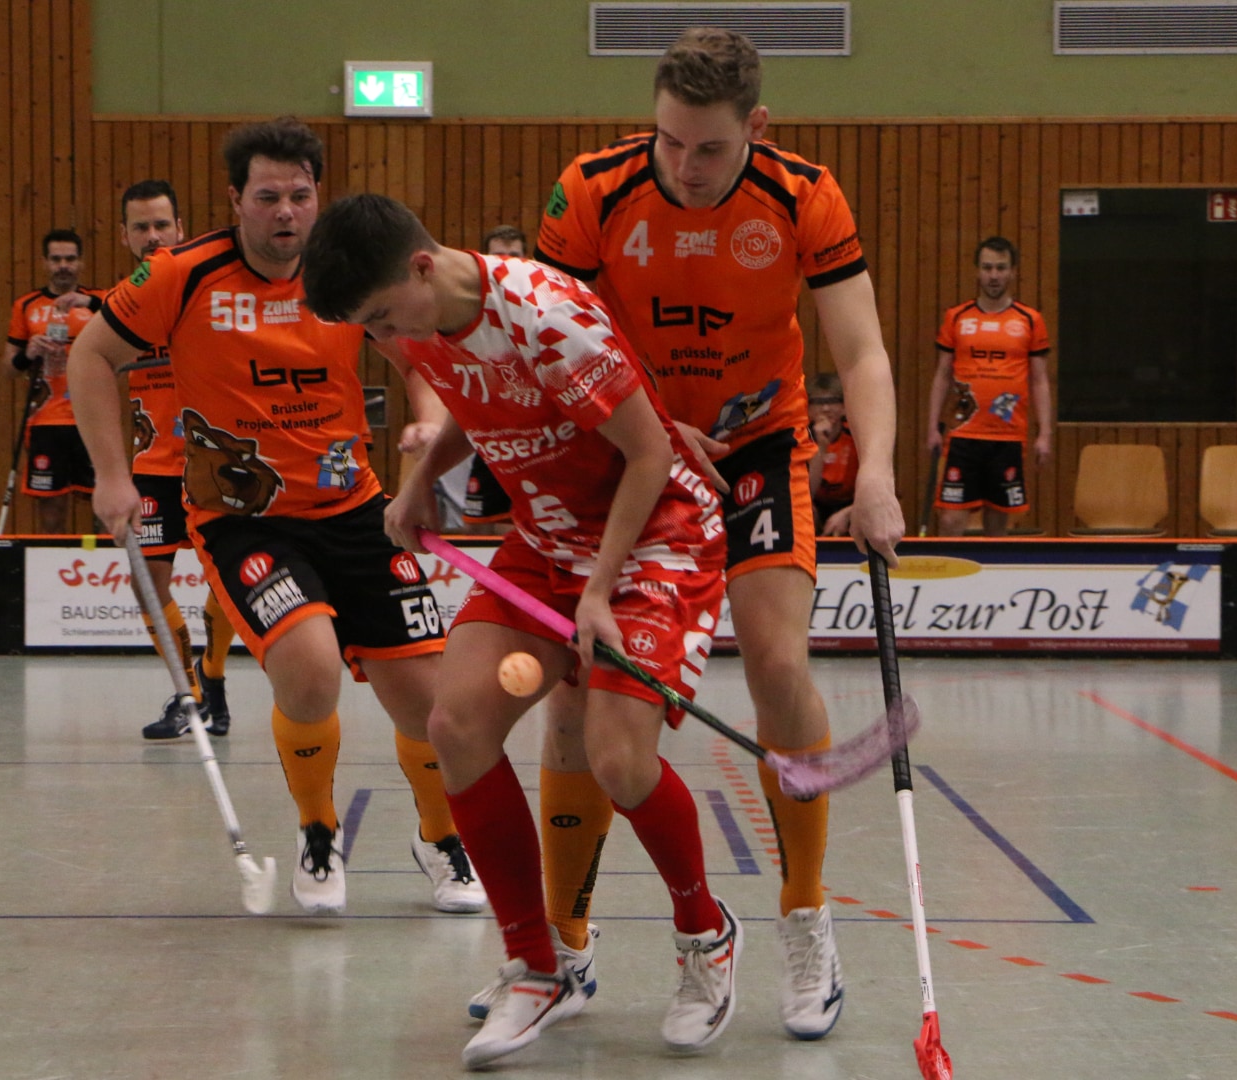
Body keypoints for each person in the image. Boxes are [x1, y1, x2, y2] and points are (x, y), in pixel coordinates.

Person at [303, 192, 741, 1067]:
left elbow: (651, 452)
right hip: (543, 539)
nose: (386, 341)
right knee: (455, 723)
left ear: (424, 267)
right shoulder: (424, 320)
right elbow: (479, 398)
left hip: (653, 535)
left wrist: (599, 593)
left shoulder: (545, 315)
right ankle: (537, 968)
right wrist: (425, 479)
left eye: (385, 317)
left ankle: (706, 935)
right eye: (370, 330)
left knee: (619, 758)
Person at [529, 26, 904, 1041]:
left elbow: (861, 351)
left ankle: (804, 918)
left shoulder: (804, 196)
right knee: (578, 691)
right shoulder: (595, 191)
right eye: (670, 143)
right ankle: (564, 944)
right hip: (627, 447)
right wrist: (634, 423)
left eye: (709, 149)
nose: (685, 169)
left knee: (779, 661)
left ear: (758, 128)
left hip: (755, 447)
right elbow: (547, 335)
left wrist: (871, 472)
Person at [65, 119, 484, 917]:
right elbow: (91, 355)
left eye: (300, 195)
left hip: (355, 507)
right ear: (235, 200)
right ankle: (318, 833)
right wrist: (113, 478)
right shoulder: (181, 276)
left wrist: (428, 421)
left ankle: (439, 839)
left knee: (426, 698)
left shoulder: (345, 269)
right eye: (268, 198)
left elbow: (416, 354)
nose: (286, 213)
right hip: (244, 518)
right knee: (310, 669)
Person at [56, 180, 239, 740]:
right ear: (124, 235)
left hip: (215, 462)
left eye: (162, 225)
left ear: (181, 229)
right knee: (146, 583)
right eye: (141, 227)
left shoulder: (211, 292)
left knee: (231, 582)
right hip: (154, 465)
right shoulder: (120, 306)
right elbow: (94, 378)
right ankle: (187, 695)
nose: (153, 236)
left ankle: (214, 678)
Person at [926, 236, 1053, 538]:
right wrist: (932, 427)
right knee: (950, 521)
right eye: (987, 268)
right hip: (963, 435)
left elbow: (1039, 380)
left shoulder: (1029, 320)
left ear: (1012, 272)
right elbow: (942, 374)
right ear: (977, 271)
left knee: (997, 525)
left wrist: (1044, 433)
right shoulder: (957, 317)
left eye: (1000, 268)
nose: (993, 275)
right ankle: (950, 584)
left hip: (1007, 436)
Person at [411, 225, 527, 537]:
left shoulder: (536, 311)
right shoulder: (462, 316)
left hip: (538, 444)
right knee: (477, 530)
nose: (504, 262)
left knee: (518, 533)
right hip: (491, 443)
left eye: (513, 255)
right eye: (497, 255)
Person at [1, 229, 100, 534]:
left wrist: (88, 302)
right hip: (46, 423)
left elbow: (126, 320)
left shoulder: (99, 303)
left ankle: (105, 576)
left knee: (104, 510)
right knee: (52, 515)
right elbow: (9, 368)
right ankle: (56, 578)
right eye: (56, 259)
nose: (63, 265)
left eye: (70, 258)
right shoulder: (27, 305)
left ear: (80, 262)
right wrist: (28, 353)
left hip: (92, 421)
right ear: (45, 262)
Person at [807, 372, 859, 537]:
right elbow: (808, 491)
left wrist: (848, 513)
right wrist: (821, 447)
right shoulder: (801, 437)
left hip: (850, 504)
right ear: (808, 408)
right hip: (816, 504)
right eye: (819, 402)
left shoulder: (856, 436)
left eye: (832, 401)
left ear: (844, 407)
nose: (826, 408)